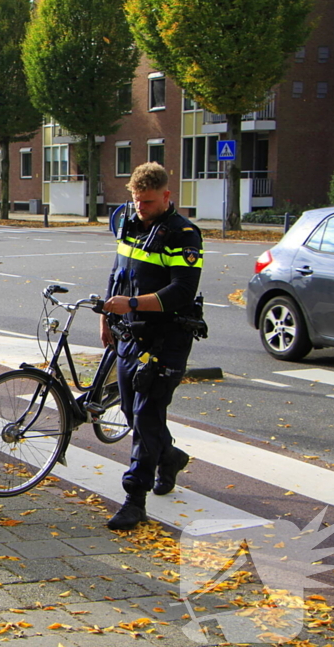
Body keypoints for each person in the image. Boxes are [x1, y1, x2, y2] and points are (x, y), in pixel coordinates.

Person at [100, 162, 203, 531]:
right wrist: (107, 315)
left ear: (166, 196)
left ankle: (134, 500)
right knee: (130, 410)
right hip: (131, 334)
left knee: (145, 416)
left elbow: (181, 292)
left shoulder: (184, 234)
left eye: (148, 202)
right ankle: (170, 456)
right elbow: (119, 270)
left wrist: (130, 304)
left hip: (167, 339)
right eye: (136, 200)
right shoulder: (130, 223)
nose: (141, 208)